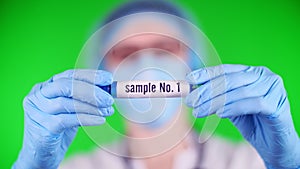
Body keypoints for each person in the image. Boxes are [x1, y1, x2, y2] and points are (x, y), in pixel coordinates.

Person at [12, 1, 300, 169]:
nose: (146, 63)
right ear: (102, 71)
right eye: (125, 52)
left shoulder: (249, 162)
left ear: (193, 63)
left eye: (164, 48)